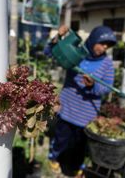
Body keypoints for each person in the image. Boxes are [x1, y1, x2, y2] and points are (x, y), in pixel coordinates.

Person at [45, 25, 117, 176]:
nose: (103, 48)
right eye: (102, 43)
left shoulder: (107, 64)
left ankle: (77, 165)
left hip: (87, 113)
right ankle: (54, 157)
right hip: (68, 107)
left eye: (107, 46)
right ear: (93, 39)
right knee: (61, 137)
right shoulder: (77, 52)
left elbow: (107, 87)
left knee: (80, 143)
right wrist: (57, 37)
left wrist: (93, 86)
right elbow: (50, 53)